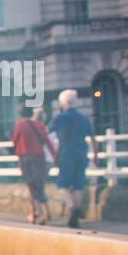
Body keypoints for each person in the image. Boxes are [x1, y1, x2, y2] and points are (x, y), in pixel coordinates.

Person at [49, 89, 96, 228]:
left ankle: (71, 207)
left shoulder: (59, 118)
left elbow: (46, 133)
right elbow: (93, 138)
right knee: (78, 184)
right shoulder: (83, 118)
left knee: (62, 184)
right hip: (81, 154)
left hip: (65, 154)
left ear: (63, 103)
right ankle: (76, 212)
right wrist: (96, 155)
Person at [12, 106, 56, 224]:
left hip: (25, 158)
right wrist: (55, 156)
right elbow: (47, 142)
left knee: (31, 186)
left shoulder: (19, 125)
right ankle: (44, 212)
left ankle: (37, 213)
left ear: (20, 114)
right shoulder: (39, 125)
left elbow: (15, 140)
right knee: (39, 185)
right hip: (39, 158)